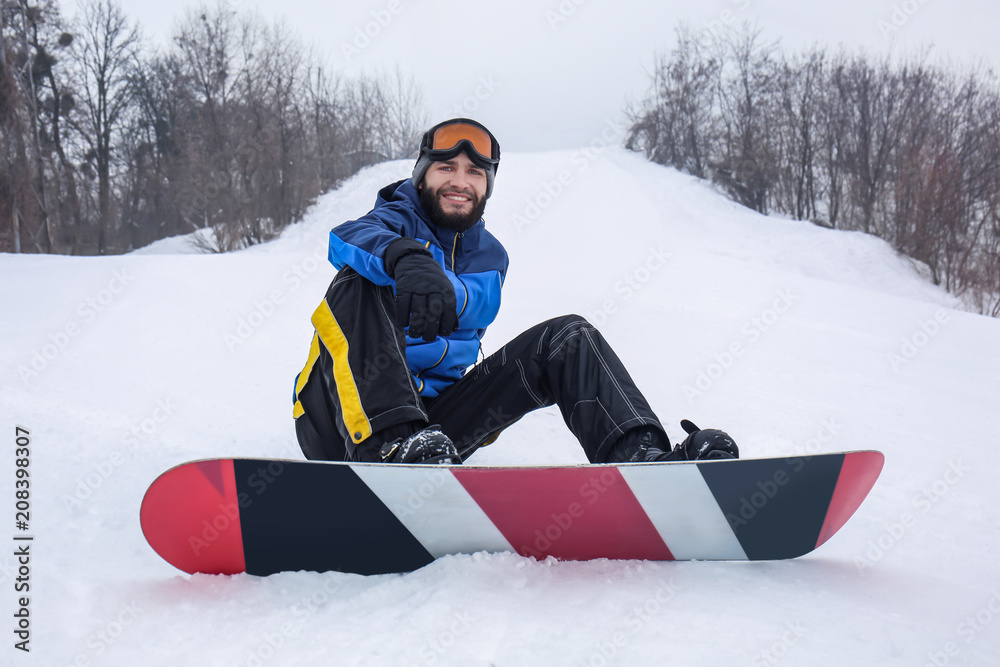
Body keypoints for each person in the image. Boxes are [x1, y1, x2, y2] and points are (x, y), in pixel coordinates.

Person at [291, 118, 739, 465]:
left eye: (474, 172)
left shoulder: (491, 258)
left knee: (568, 336)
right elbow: (346, 239)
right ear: (421, 178)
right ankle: (389, 446)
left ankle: (641, 460)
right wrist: (404, 257)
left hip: (433, 432)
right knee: (358, 279)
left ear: (487, 187)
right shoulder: (391, 222)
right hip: (338, 420)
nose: (460, 181)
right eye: (446, 167)